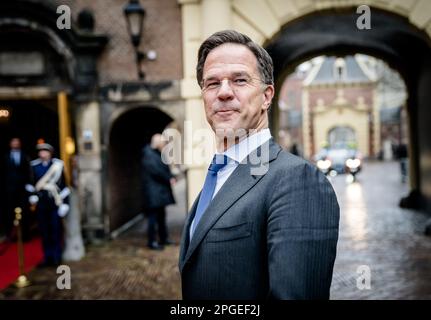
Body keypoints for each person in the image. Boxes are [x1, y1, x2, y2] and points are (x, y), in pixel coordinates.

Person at [178, 30, 340, 300]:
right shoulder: (218, 174)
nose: (224, 92)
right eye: (212, 83)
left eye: (239, 80)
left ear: (267, 96)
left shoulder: (297, 180)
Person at [28, 142, 70, 266]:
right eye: (41, 151)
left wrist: (65, 204)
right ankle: (47, 257)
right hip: (42, 203)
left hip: (55, 203)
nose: (42, 153)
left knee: (56, 231)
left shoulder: (58, 165)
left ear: (50, 153)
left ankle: (57, 256)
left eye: (45, 151)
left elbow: (64, 186)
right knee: (44, 232)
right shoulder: (34, 166)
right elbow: (31, 184)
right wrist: (32, 196)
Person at [141, 133, 176, 250]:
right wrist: (169, 178)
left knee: (161, 217)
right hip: (153, 192)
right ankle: (152, 242)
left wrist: (170, 175)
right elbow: (156, 171)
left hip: (158, 191)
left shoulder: (156, 154)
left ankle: (163, 238)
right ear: (157, 144)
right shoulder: (149, 155)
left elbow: (164, 167)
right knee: (153, 218)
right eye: (162, 144)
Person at [1, 138, 32, 241]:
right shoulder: (5, 157)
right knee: (9, 212)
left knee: (25, 213)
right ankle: (9, 234)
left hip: (23, 189)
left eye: (17, 143)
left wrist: (29, 184)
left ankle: (25, 235)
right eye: (13, 142)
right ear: (10, 144)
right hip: (9, 190)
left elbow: (28, 171)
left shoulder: (25, 156)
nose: (15, 144)